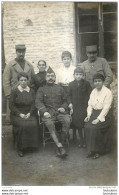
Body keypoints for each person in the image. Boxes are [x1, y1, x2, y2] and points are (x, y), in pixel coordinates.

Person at [35, 67, 71, 158]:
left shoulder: (60, 88)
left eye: (52, 76)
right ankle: (60, 146)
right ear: (45, 78)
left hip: (60, 112)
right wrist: (44, 112)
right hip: (48, 113)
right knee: (50, 124)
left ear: (55, 78)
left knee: (67, 120)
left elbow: (66, 100)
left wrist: (63, 107)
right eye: (48, 76)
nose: (50, 78)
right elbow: (38, 102)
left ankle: (61, 143)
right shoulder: (41, 89)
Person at [3, 44, 35, 124]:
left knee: (27, 118)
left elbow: (32, 79)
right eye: (19, 52)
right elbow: (5, 80)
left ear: (25, 52)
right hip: (14, 95)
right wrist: (8, 94)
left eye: (23, 52)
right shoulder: (10, 65)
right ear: (16, 52)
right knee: (14, 118)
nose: (21, 54)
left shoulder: (29, 65)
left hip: (27, 95)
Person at [9, 72, 39, 157]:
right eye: (21, 80)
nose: (23, 82)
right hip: (17, 114)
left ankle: (31, 146)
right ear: (18, 81)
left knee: (33, 123)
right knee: (22, 125)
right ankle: (21, 148)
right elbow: (11, 105)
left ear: (27, 81)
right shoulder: (14, 91)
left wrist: (30, 113)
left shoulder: (31, 91)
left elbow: (33, 104)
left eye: (25, 80)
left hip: (29, 112)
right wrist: (20, 114)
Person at [84, 73, 113, 159]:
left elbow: (106, 108)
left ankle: (98, 151)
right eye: (95, 81)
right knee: (87, 126)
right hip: (94, 113)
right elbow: (90, 105)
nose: (97, 83)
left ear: (103, 81)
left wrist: (98, 119)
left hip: (105, 115)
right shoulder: (93, 91)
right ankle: (90, 150)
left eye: (99, 81)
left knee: (95, 127)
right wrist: (88, 115)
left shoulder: (108, 92)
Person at [68, 67, 92, 147]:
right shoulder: (71, 84)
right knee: (77, 124)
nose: (78, 76)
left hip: (84, 106)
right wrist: (70, 103)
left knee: (84, 123)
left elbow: (90, 95)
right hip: (75, 107)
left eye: (80, 75)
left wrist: (89, 104)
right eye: (77, 74)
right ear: (74, 75)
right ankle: (80, 139)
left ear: (83, 76)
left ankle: (85, 140)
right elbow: (68, 95)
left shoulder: (86, 84)